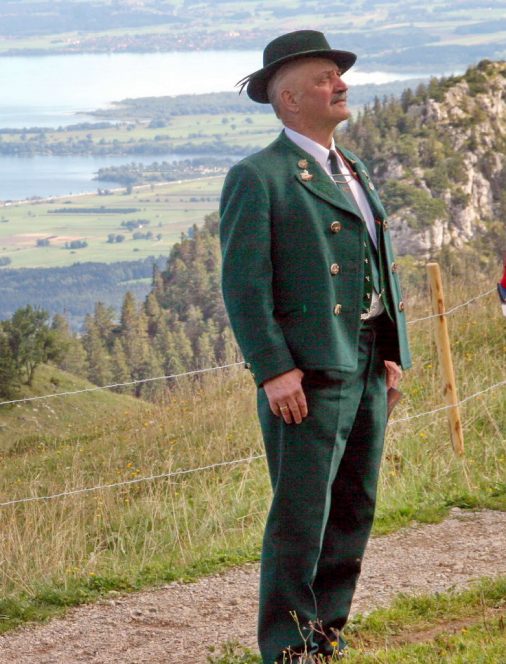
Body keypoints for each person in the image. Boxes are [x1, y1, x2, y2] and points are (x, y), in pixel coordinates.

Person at [220, 30, 412, 664]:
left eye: (339, 74)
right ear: (289, 98)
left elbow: (374, 264)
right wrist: (273, 370)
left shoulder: (350, 167)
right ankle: (289, 646)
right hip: (308, 368)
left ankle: (324, 635)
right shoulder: (259, 176)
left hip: (365, 357)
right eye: (325, 77)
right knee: (302, 515)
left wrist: (390, 349)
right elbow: (244, 286)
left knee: (354, 505)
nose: (341, 84)